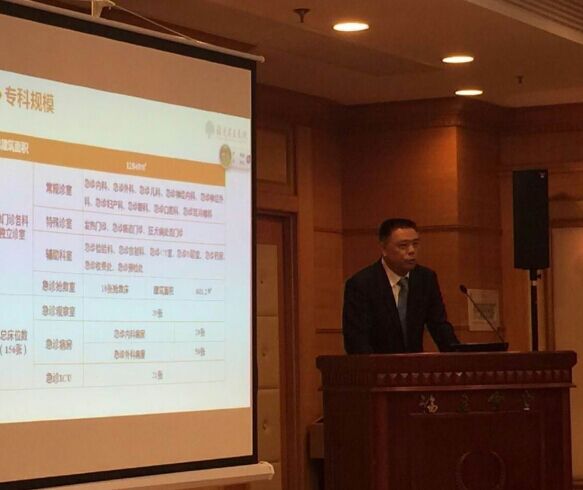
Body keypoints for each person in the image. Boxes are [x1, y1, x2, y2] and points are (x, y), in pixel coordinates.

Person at [342, 218, 459, 354]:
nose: (411, 251)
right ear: (383, 249)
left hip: (415, 365)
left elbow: (439, 326)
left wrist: (459, 356)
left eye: (415, 244)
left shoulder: (425, 279)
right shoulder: (362, 284)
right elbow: (356, 340)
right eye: (403, 246)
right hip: (378, 364)